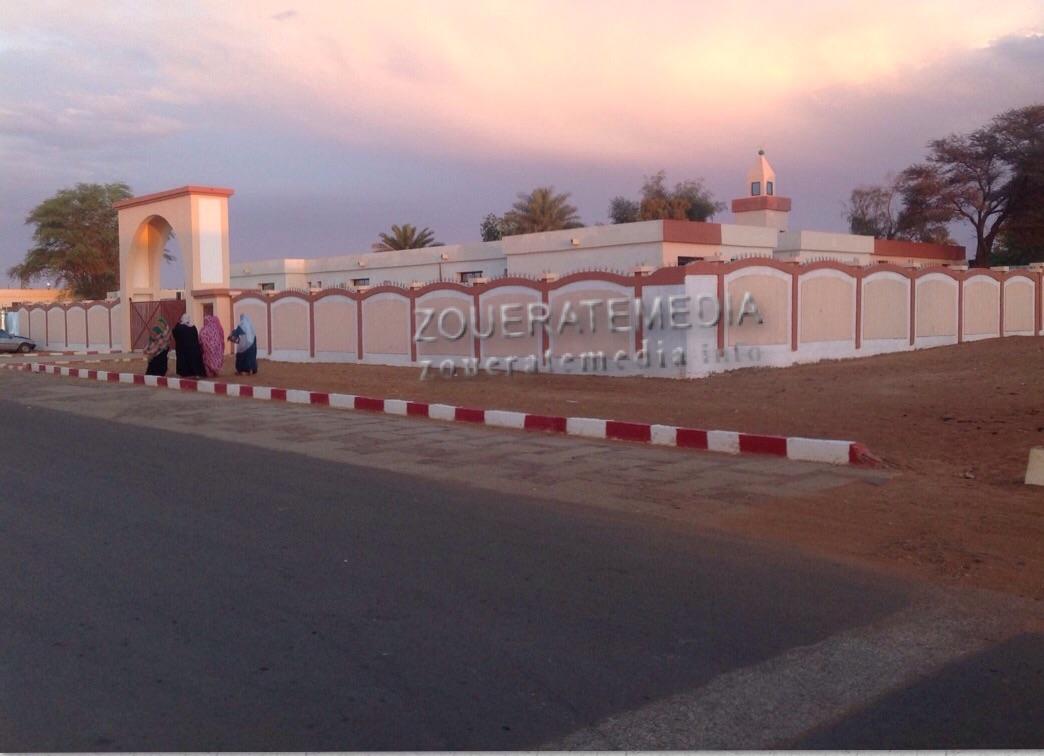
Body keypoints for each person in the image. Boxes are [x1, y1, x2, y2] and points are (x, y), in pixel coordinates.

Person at [171, 313, 206, 378]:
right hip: (194, 349)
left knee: (184, 362)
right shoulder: (193, 327)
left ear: (182, 319)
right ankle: (195, 373)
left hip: (183, 350)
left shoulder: (180, 327)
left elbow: (174, 332)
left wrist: (178, 324)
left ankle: (185, 374)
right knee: (194, 362)